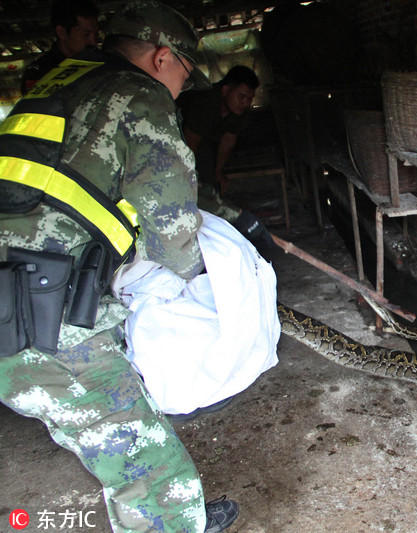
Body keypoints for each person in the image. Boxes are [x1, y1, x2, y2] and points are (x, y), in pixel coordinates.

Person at [0, 2, 239, 532]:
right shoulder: (140, 96)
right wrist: (204, 282)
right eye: (185, 75)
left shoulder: (60, 80)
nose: (182, 88)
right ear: (162, 57)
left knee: (95, 425)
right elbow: (172, 227)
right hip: (37, 305)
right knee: (133, 443)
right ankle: (171, 521)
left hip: (18, 285)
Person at [178, 65, 278, 261]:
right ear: (225, 91)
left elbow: (228, 140)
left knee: (209, 183)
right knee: (194, 189)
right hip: (180, 142)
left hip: (204, 144)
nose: (246, 102)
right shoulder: (205, 102)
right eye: (241, 96)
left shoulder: (239, 112)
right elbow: (189, 144)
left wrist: (218, 172)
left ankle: (212, 227)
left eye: (250, 98)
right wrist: (188, 179)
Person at [20, 0, 100, 94]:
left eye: (96, 34)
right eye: (86, 34)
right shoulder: (40, 72)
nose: (94, 41)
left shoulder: (100, 64)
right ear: (62, 32)